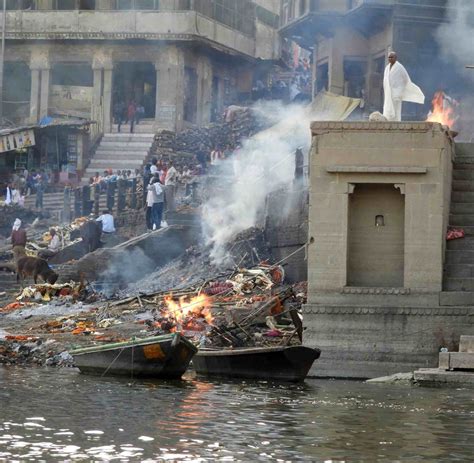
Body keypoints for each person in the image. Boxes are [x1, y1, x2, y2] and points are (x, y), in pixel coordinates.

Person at [383, 51, 424, 122]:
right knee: (387, 110)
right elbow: (385, 80)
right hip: (388, 93)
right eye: (389, 57)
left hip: (396, 94)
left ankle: (396, 127)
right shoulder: (387, 68)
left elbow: (406, 79)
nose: (390, 58)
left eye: (391, 57)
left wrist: (399, 89)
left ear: (395, 58)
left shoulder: (400, 67)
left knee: (396, 112)